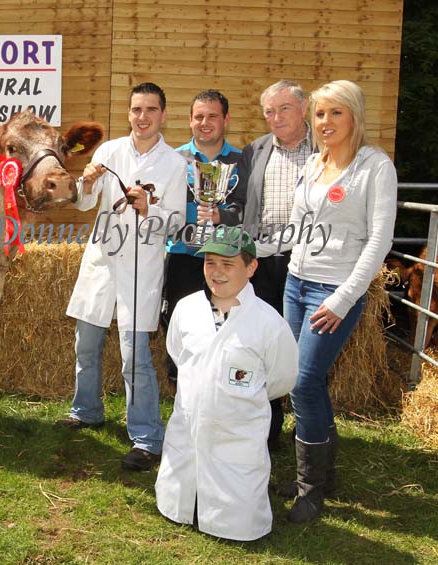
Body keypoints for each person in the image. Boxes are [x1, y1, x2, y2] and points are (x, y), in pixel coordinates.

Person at [256, 80, 398, 523]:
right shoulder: (316, 165)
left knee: (303, 382)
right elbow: (295, 230)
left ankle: (310, 491)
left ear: (354, 115)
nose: (325, 122)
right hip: (297, 283)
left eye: (336, 113)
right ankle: (322, 477)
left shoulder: (375, 167)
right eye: (320, 114)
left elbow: (379, 241)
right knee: (305, 381)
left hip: (333, 292)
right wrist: (248, 246)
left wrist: (343, 299)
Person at [58, 82, 187, 471]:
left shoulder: (175, 164)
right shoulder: (109, 150)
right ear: (128, 114)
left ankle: (147, 438)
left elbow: (177, 225)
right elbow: (81, 203)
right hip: (101, 262)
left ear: (163, 115)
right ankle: (86, 410)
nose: (142, 117)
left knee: (134, 358)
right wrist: (88, 180)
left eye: (150, 109)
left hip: (141, 267)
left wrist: (150, 209)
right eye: (136, 110)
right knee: (86, 344)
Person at [156, 226, 298, 541]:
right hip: (189, 426)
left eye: (228, 264)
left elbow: (280, 379)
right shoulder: (187, 309)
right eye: (210, 263)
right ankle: (184, 504)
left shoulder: (269, 324)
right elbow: (178, 353)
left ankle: (230, 516)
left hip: (237, 442)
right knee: (182, 475)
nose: (217, 272)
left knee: (238, 511)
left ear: (251, 267)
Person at [235, 80, 315, 451]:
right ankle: (268, 429)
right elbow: (240, 204)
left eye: (284, 108)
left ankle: (309, 430)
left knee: (303, 349)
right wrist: (218, 214)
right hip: (263, 262)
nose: (276, 117)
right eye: (269, 111)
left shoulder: (326, 149)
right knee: (264, 343)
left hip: (308, 263)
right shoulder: (255, 150)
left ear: (303, 109)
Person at [160, 89, 244, 387]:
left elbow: (247, 206)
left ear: (226, 120)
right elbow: (161, 206)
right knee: (177, 323)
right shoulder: (173, 158)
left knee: (224, 323)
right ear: (189, 120)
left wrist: (224, 215)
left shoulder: (241, 160)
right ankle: (180, 385)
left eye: (212, 116)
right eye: (198, 117)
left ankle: (218, 386)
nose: (204, 122)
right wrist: (191, 213)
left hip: (225, 258)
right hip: (183, 254)